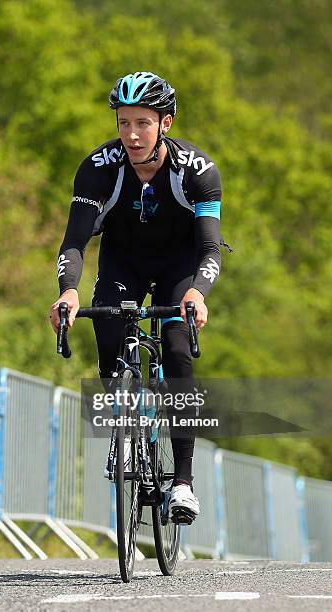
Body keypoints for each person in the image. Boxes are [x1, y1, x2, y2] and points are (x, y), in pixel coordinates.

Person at [50, 71, 224, 522]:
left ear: (165, 122)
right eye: (123, 122)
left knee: (177, 351)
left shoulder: (197, 171)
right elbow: (74, 242)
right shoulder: (98, 168)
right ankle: (125, 430)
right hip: (123, 263)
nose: (131, 134)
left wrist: (198, 294)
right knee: (108, 336)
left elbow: (209, 248)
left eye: (142, 123)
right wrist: (68, 291)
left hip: (177, 266)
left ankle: (183, 482)